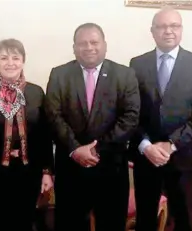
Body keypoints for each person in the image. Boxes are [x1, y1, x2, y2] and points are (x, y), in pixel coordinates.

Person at [45, 23, 140, 231]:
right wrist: (75, 149)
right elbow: (53, 115)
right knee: (69, 224)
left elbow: (131, 117)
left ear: (105, 45)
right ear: (74, 47)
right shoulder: (59, 74)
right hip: (71, 167)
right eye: (82, 43)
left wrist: (96, 150)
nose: (89, 47)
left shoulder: (124, 75)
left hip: (111, 168)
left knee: (111, 224)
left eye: (94, 42)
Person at [129, 7, 192, 231]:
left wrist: (171, 144)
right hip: (147, 159)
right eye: (162, 26)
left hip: (185, 158)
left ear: (181, 30)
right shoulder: (137, 64)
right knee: (145, 221)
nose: (168, 31)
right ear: (152, 31)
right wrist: (146, 145)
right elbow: (131, 113)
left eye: (174, 26)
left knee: (184, 222)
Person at [0, 38, 54, 231]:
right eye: (4, 58)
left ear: (23, 61)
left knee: (24, 222)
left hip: (28, 173)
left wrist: (47, 172)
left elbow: (44, 136)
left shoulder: (36, 93)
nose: (10, 63)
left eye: (16, 57)